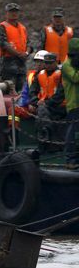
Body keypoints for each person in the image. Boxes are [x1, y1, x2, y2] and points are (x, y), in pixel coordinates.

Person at [28, 52, 66, 151]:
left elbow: (61, 93)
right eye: (46, 63)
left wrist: (47, 103)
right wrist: (34, 102)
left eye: (50, 63)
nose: (48, 65)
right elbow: (32, 90)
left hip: (58, 106)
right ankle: (45, 131)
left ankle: (44, 134)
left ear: (56, 62)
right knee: (42, 110)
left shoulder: (61, 74)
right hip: (43, 105)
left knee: (42, 110)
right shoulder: (39, 75)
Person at [0, 2, 30, 92]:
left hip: (22, 64)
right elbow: (3, 43)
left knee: (22, 90)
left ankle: (20, 106)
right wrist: (18, 54)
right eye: (11, 11)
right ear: (6, 13)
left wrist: (26, 53)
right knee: (8, 89)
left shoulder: (23, 28)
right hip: (8, 64)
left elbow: (29, 43)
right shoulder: (2, 26)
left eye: (16, 11)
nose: (14, 13)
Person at [63, 38, 79, 169]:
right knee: (71, 131)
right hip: (73, 103)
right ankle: (70, 158)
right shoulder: (67, 65)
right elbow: (75, 78)